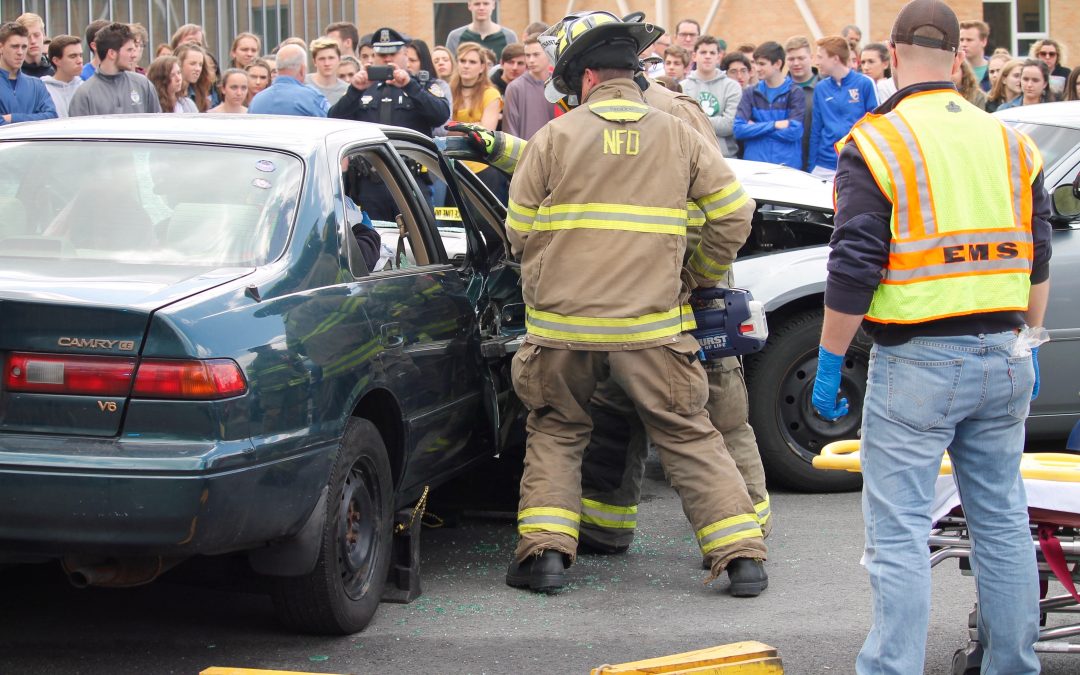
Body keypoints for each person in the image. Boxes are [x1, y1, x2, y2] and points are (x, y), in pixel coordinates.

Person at [814, 1, 1051, 671]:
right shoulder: (1011, 141)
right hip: (1005, 354)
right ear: (958, 59)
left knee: (899, 534)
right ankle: (1013, 663)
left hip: (919, 360)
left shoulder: (877, 142)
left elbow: (853, 262)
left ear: (890, 57)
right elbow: (1039, 256)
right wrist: (1028, 345)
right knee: (1002, 524)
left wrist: (831, 360)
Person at [502, 11, 767, 597]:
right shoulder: (678, 134)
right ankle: (742, 558)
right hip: (653, 330)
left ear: (586, 78)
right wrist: (697, 273)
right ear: (634, 72)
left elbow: (517, 231)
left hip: (562, 333)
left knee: (557, 430)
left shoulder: (553, 137)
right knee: (689, 434)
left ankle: (544, 555)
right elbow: (735, 213)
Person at [328, 28, 449, 137]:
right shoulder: (362, 87)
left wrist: (410, 86)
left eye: (393, 54)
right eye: (382, 54)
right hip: (370, 158)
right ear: (374, 56)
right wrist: (354, 91)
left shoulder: (421, 84)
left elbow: (440, 117)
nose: (387, 59)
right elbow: (334, 120)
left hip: (409, 158)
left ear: (405, 54)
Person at [807, 35, 877, 178]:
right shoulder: (821, 88)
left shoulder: (865, 83)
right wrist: (811, 166)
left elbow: (874, 123)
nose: (817, 62)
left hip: (855, 162)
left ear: (835, 58)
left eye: (820, 57)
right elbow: (816, 129)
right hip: (824, 165)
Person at [734, 41, 806, 168]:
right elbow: (738, 130)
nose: (757, 68)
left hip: (786, 167)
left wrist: (756, 127)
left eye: (762, 64)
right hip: (754, 166)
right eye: (756, 63)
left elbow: (795, 132)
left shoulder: (795, 92)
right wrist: (775, 124)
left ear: (777, 64)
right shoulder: (750, 93)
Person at [68, 22, 160, 116]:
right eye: (129, 50)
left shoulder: (143, 85)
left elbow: (158, 125)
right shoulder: (85, 94)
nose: (134, 55)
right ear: (112, 53)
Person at [681, 36, 742, 157]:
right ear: (694, 56)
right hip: (691, 156)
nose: (708, 56)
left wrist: (694, 118)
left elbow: (729, 125)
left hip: (725, 157)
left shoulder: (732, 87)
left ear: (719, 57)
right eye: (703, 52)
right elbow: (681, 124)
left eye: (712, 52)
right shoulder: (682, 87)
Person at [0, 21, 56, 124]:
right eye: (14, 46)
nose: (20, 52)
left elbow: (51, 117)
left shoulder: (37, 84)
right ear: (1, 47)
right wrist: (34, 118)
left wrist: (12, 118)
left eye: (24, 47)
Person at [249, 44, 327, 117]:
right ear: (302, 70)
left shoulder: (257, 100)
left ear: (277, 69)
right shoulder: (311, 97)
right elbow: (331, 122)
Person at [502, 36, 554, 140]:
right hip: (525, 152)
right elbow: (510, 131)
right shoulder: (515, 88)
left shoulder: (559, 84)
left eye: (536, 55)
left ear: (548, 54)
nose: (531, 60)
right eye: (527, 55)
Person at [785, 35, 819, 172]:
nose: (796, 63)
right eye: (791, 59)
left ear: (811, 57)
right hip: (788, 162)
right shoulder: (779, 90)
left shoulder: (824, 88)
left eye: (801, 58)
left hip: (818, 163)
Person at [445, 0, 518, 61]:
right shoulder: (455, 37)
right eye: (477, 4)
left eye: (486, 4)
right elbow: (451, 70)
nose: (481, 8)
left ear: (493, 5)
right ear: (469, 6)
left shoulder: (508, 36)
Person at [405, 39, 452, 135]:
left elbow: (443, 128)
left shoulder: (437, 85)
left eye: (412, 60)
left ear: (423, 62)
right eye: (405, 60)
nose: (407, 65)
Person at [41, 35, 83, 118]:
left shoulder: (84, 87)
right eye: (73, 56)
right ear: (56, 61)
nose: (79, 61)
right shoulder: (43, 90)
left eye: (80, 55)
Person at [305, 37, 348, 106]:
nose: (327, 63)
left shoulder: (346, 90)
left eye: (331, 58)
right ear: (314, 62)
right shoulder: (303, 83)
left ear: (339, 60)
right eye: (322, 59)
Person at [174, 43, 213, 112]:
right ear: (179, 64)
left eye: (200, 65)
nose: (198, 69)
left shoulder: (200, 93)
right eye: (192, 64)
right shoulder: (171, 94)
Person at [15, 13, 52, 77]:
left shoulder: (57, 72)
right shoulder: (12, 73)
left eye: (36, 35)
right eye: (27, 36)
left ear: (44, 35)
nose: (33, 41)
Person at [959, 19, 991, 91]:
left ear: (983, 41)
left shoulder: (996, 70)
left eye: (969, 40)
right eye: (961, 40)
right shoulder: (953, 71)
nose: (964, 44)